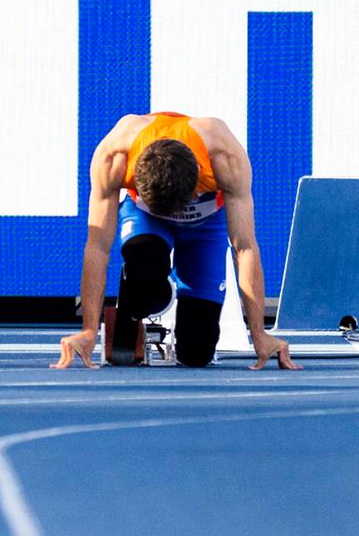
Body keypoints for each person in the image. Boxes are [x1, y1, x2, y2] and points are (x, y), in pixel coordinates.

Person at [59, 112, 294, 370]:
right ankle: (140, 285)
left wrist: (259, 334)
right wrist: (89, 331)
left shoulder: (223, 154)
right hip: (146, 218)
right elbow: (98, 246)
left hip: (204, 227)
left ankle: (170, 291)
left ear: (198, 177)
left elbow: (245, 247)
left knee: (196, 353)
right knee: (144, 268)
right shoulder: (115, 154)